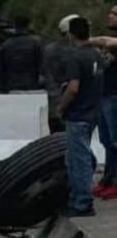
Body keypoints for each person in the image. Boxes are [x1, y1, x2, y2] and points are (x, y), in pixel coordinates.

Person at [58, 16, 104, 217]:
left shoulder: (75, 57)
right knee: (79, 157)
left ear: (70, 34)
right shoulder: (96, 55)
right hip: (93, 112)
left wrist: (61, 107)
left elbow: (73, 88)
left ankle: (82, 203)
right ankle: (77, 198)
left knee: (79, 160)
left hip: (78, 115)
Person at [84, 5, 117, 200]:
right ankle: (108, 178)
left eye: (115, 14)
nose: (110, 16)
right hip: (106, 94)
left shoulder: (111, 41)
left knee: (114, 141)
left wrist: (85, 39)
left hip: (114, 96)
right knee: (106, 141)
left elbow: (105, 41)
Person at [41, 15, 78, 133]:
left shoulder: (48, 49)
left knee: (56, 139)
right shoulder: (76, 52)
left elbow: (45, 74)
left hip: (53, 103)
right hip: (72, 106)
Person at [0, 16, 43, 92]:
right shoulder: (35, 43)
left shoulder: (6, 45)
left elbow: (1, 69)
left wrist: (2, 88)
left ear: (14, 26)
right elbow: (41, 65)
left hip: (12, 85)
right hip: (32, 84)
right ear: (28, 26)